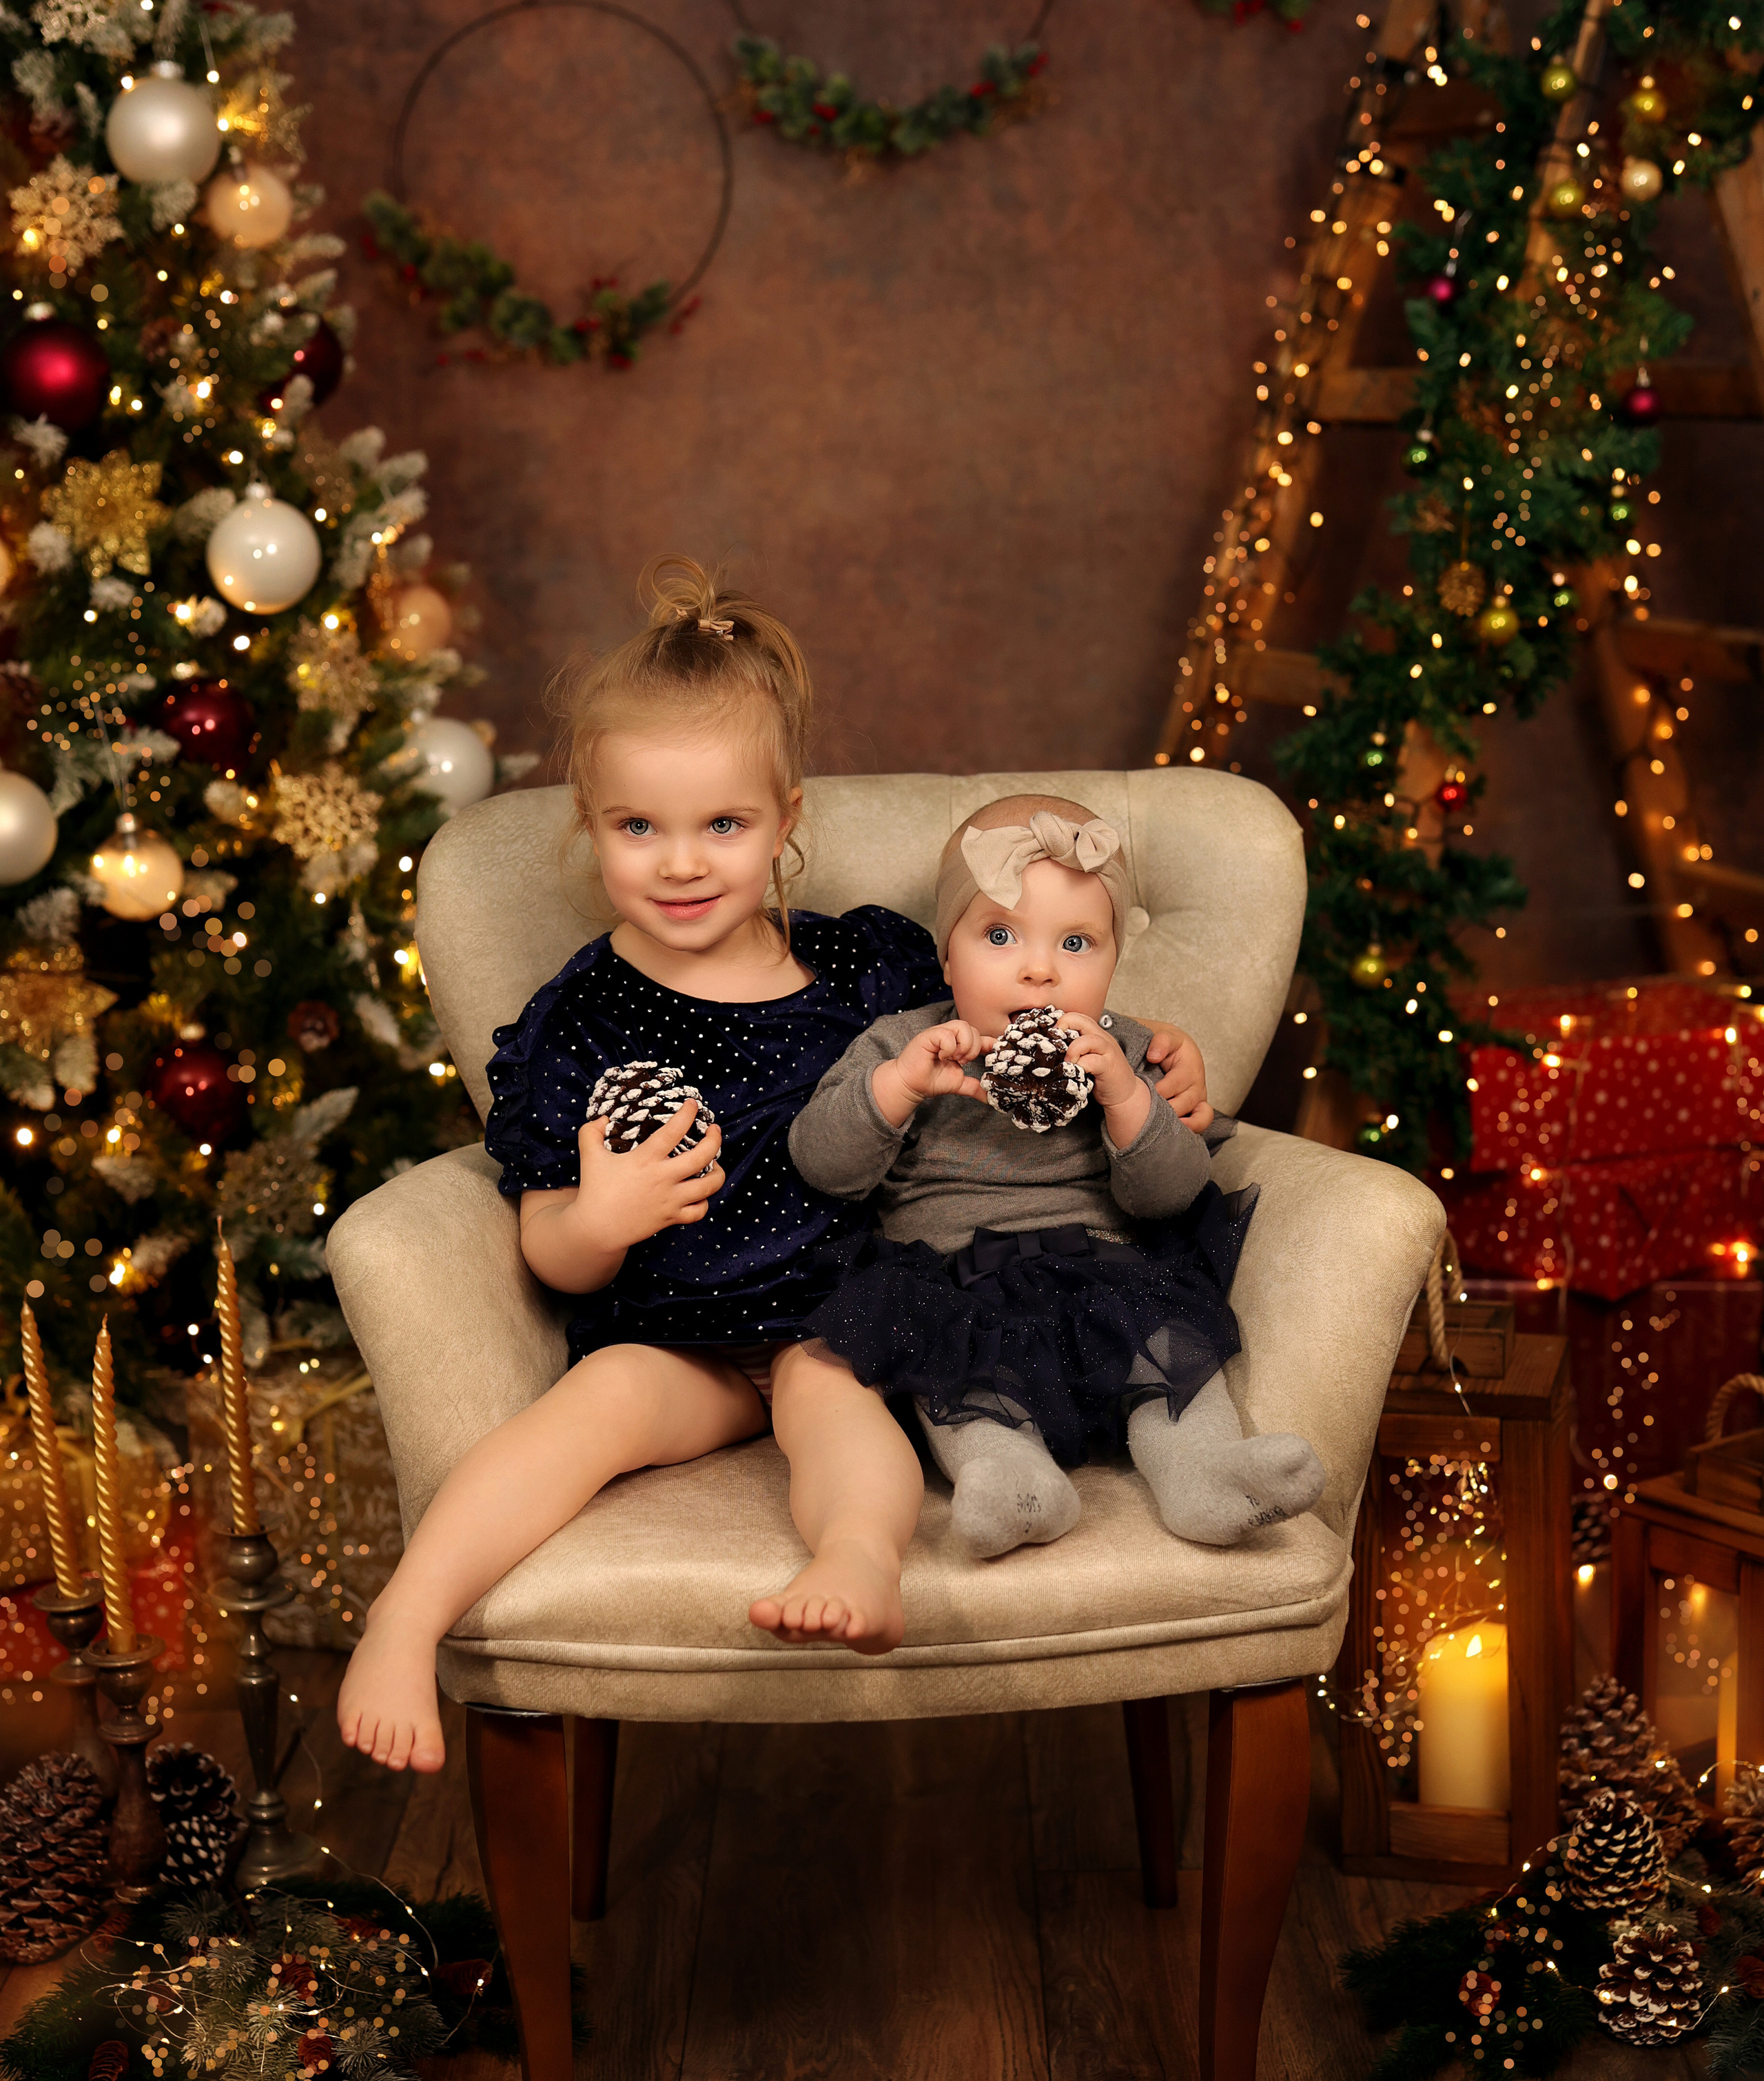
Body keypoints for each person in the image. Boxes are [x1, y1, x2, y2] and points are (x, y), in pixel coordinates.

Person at [336, 564, 1213, 1770]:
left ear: (785, 821)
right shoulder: (584, 1014)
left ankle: (855, 1559)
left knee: (840, 1416)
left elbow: (1020, 1021)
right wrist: (606, 1211)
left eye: (724, 826)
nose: (682, 862)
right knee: (587, 1412)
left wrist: (1157, 1051)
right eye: (638, 826)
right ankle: (407, 1615)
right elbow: (547, 1243)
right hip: (676, 1335)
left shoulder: (864, 968)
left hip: (845, 1313)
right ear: (589, 827)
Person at [790, 794, 1325, 1559]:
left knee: (1165, 1347)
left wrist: (1127, 1098)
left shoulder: (1124, 1049)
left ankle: (1203, 1471)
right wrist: (898, 1089)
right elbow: (823, 1163)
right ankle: (1015, 1482)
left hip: (1099, 1269)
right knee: (959, 1382)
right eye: (1000, 935)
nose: (1039, 969)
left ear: (1112, 960)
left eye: (1076, 943)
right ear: (948, 954)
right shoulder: (906, 1043)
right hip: (953, 1280)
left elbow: (1171, 1191)